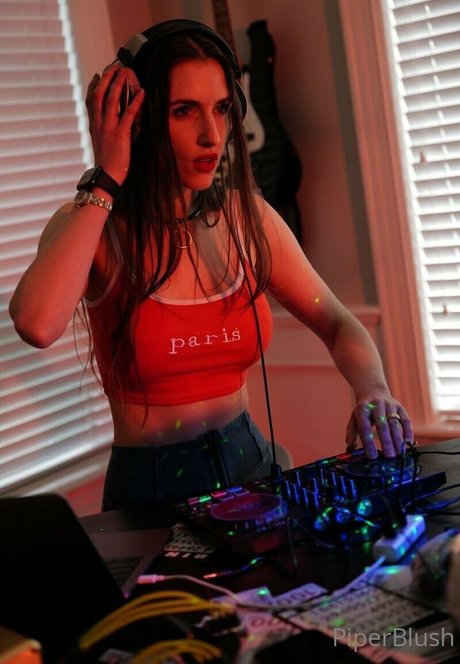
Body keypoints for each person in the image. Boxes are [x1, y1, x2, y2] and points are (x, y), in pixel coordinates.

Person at [9, 19, 414, 511]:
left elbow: (336, 322)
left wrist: (374, 389)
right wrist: (108, 177)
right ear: (139, 119)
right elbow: (37, 323)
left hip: (252, 473)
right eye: (184, 111)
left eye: (221, 108)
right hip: (149, 498)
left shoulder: (248, 219)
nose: (212, 134)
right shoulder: (93, 226)